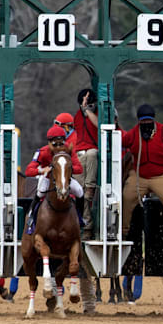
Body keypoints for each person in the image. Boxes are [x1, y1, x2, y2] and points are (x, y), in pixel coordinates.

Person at [120, 104, 163, 231]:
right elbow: (119, 142)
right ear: (139, 121)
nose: (146, 123)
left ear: (153, 120)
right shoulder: (133, 134)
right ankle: (123, 232)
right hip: (139, 176)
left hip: (162, 176)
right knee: (126, 198)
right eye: (143, 121)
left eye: (149, 120)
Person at [23, 126, 85, 229]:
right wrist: (41, 170)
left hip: (64, 178)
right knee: (40, 191)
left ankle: (80, 218)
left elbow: (79, 168)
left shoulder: (69, 150)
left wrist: (65, 169)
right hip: (48, 178)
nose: (58, 147)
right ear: (49, 143)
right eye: (55, 144)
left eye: (61, 144)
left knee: (79, 191)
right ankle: (31, 217)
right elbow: (28, 171)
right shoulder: (42, 152)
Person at [73, 89, 101, 239]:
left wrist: (87, 110)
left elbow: (97, 124)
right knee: (80, 193)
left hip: (91, 152)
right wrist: (83, 108)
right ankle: (86, 226)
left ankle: (91, 186)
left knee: (92, 154)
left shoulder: (97, 116)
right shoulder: (77, 116)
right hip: (79, 153)